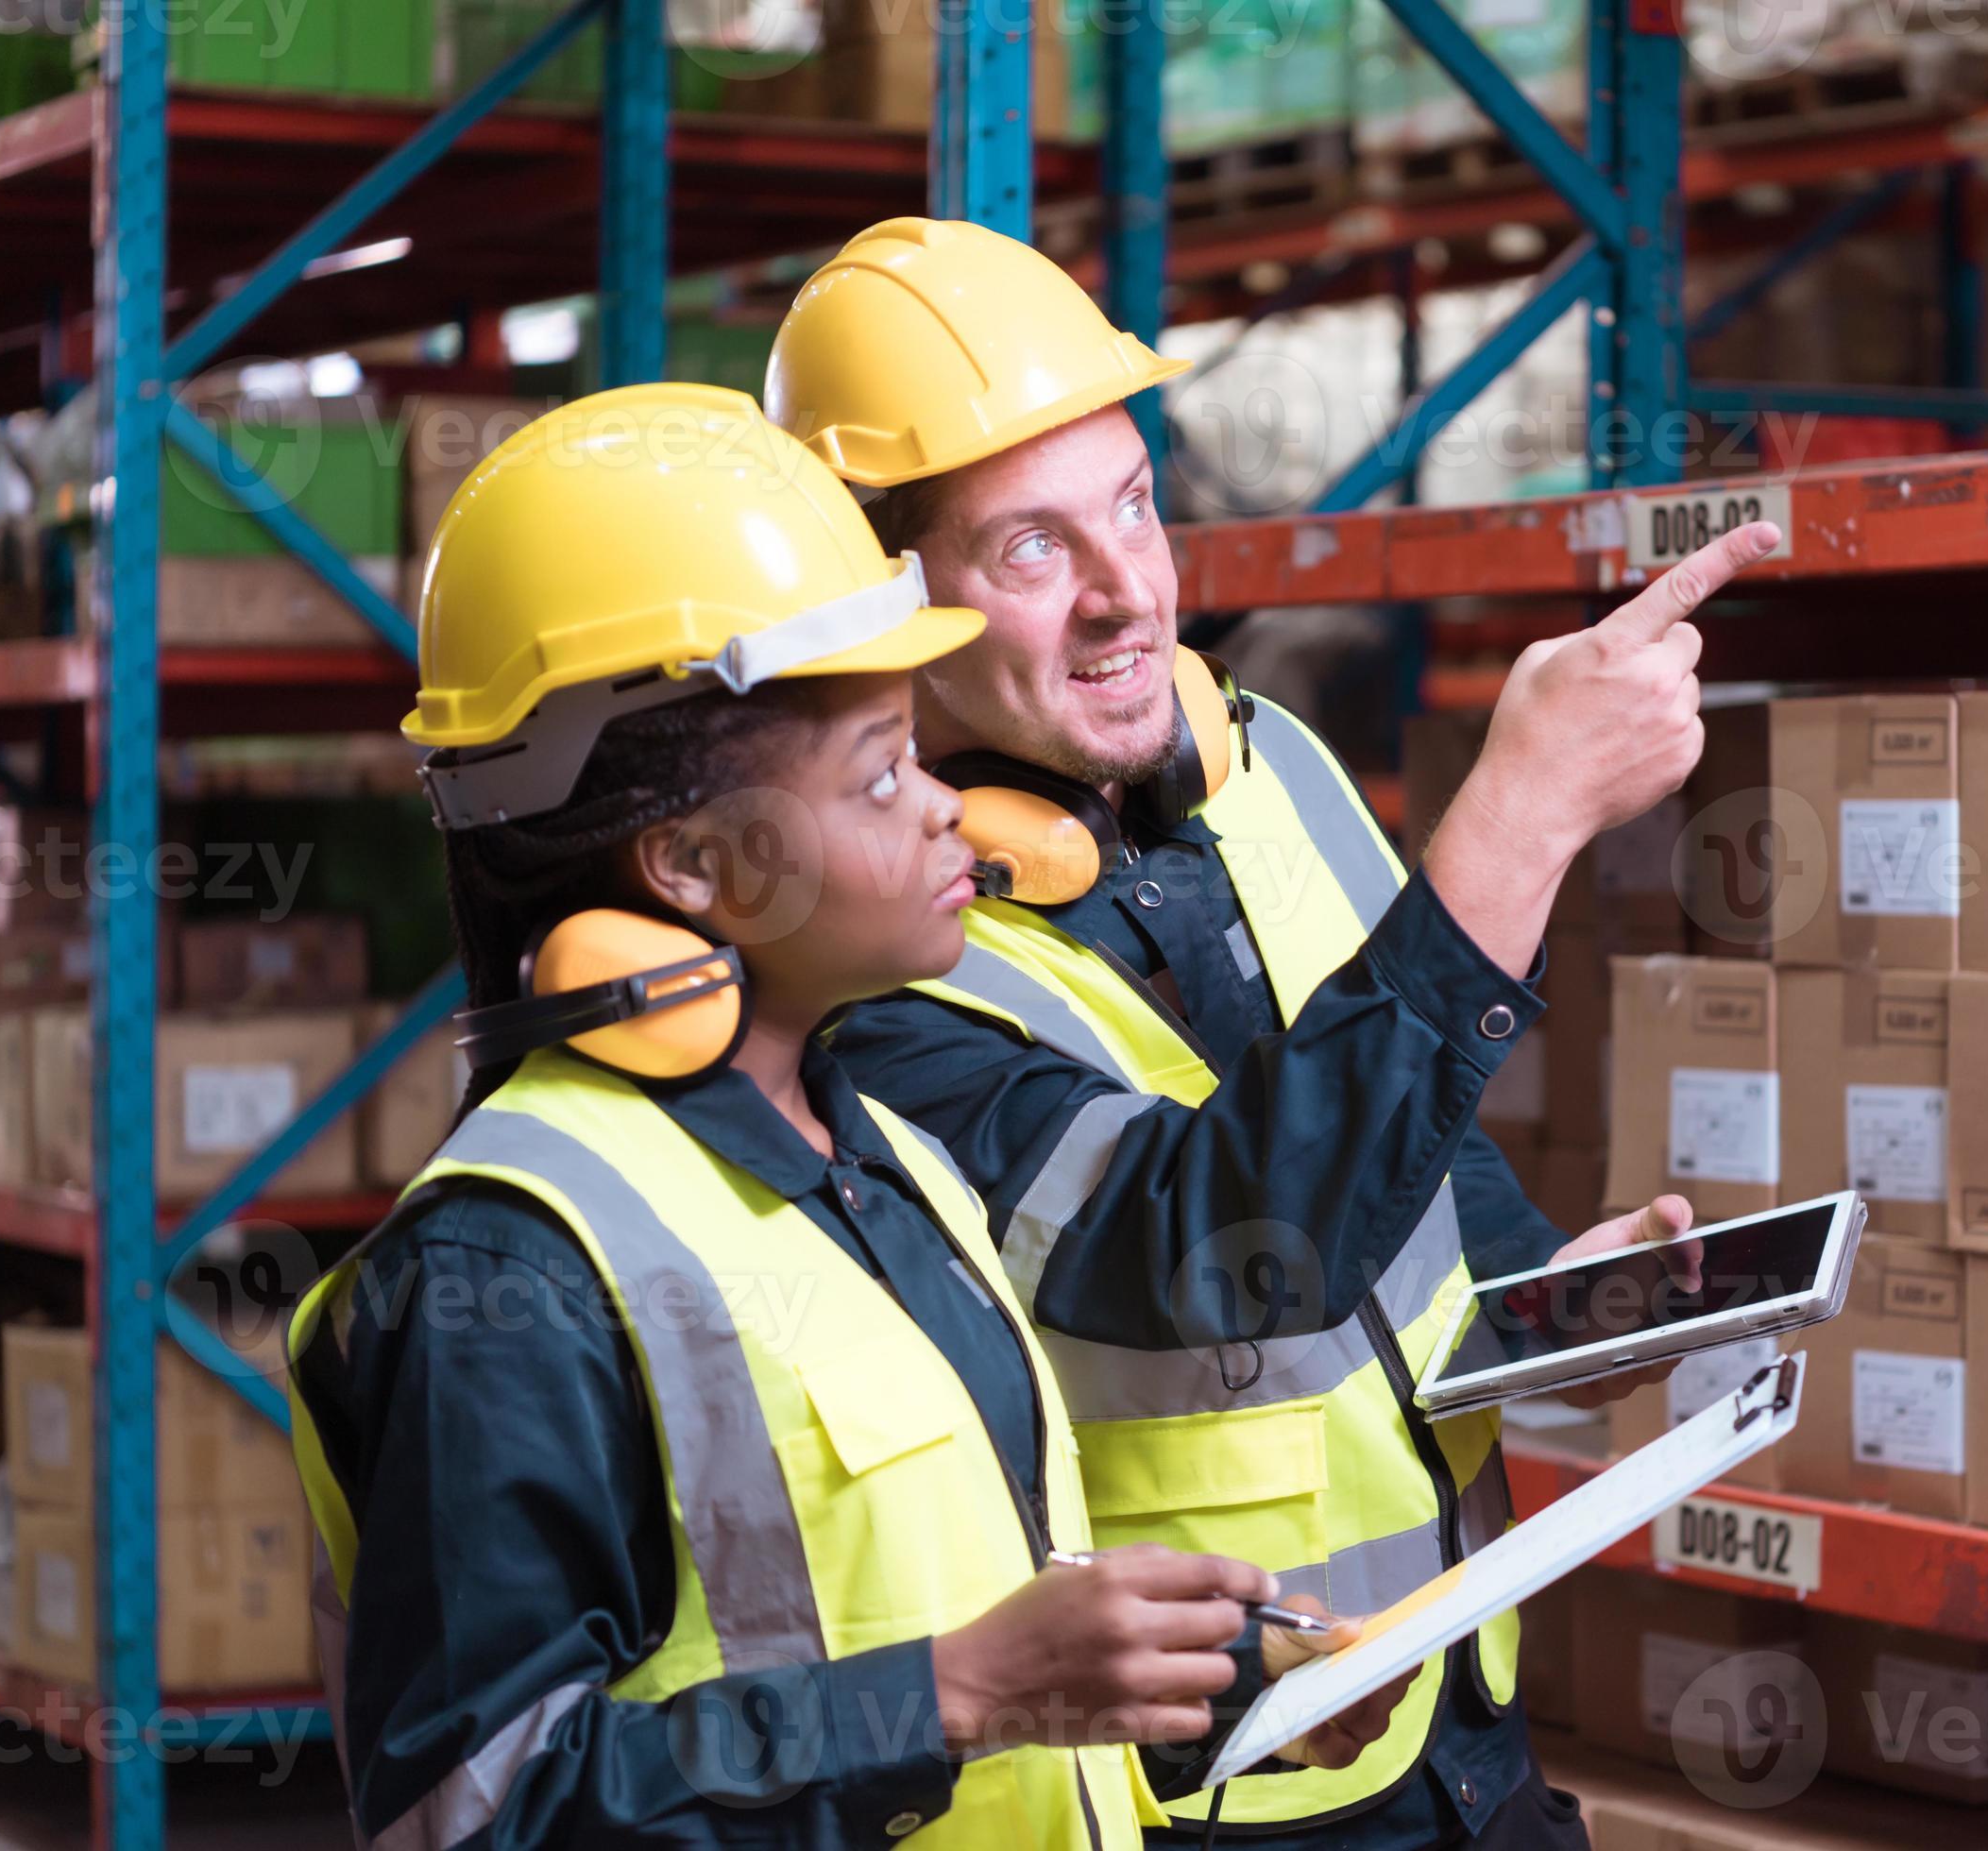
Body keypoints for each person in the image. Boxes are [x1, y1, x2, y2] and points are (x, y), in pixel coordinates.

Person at [767, 220, 1781, 1848]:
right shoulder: (871, 974)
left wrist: (1554, 1310)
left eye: (1131, 506)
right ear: (887, 603)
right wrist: (1516, 823)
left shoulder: (1270, 763)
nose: (1126, 594)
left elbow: (1413, 1152)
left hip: (1451, 1706)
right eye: (1030, 551)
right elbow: (1223, 1250)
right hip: (1220, 1783)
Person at [283, 383, 1404, 1850]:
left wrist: (1199, 1714)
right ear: (693, 864)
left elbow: (931, 1669)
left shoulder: (881, 1157)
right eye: (883, 772)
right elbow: (470, 1815)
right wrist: (956, 1695)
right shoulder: (510, 1269)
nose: (951, 810)